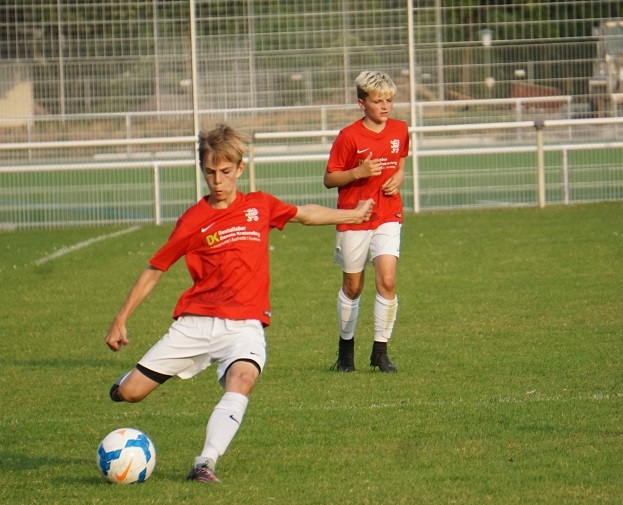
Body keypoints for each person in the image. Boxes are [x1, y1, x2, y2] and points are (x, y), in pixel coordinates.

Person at [105, 123, 373, 483]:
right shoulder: (193, 220)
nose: (218, 181)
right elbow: (156, 268)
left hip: (245, 325)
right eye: (210, 172)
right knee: (131, 394)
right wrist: (121, 318)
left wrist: (353, 215)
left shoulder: (260, 206)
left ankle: (205, 463)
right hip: (196, 323)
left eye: (225, 172)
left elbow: (305, 214)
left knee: (243, 378)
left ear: (240, 168)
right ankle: (124, 384)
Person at [323, 71, 409, 373]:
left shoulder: (400, 129)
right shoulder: (349, 137)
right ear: (362, 103)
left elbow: (400, 163)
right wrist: (357, 173)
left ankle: (380, 352)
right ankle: (346, 350)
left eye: (389, 100)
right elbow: (329, 179)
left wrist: (399, 177)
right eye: (378, 101)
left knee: (388, 280)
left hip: (388, 214)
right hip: (354, 217)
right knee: (353, 287)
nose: (385, 106)